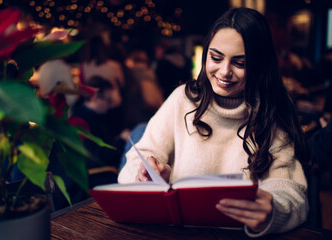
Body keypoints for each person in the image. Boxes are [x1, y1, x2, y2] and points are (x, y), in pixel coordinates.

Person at [118, 8, 309, 237]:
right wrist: (144, 174)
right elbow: (136, 161)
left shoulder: (271, 111)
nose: (224, 72)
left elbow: (291, 192)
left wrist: (273, 210)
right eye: (215, 58)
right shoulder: (183, 99)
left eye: (240, 63)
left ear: (260, 65)